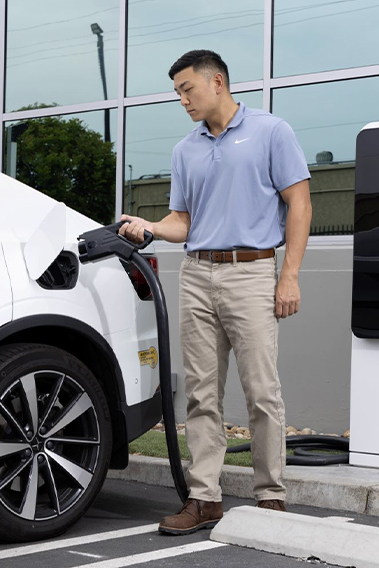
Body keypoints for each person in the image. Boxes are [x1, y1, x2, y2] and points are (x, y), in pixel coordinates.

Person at [119, 49, 312, 535]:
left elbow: (300, 204)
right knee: (202, 394)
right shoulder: (186, 149)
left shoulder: (270, 132)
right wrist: (150, 227)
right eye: (177, 93)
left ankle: (271, 498)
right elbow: (183, 221)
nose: (182, 100)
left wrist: (288, 275)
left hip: (251, 272)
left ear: (218, 82)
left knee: (261, 391)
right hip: (197, 274)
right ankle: (204, 498)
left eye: (188, 89)